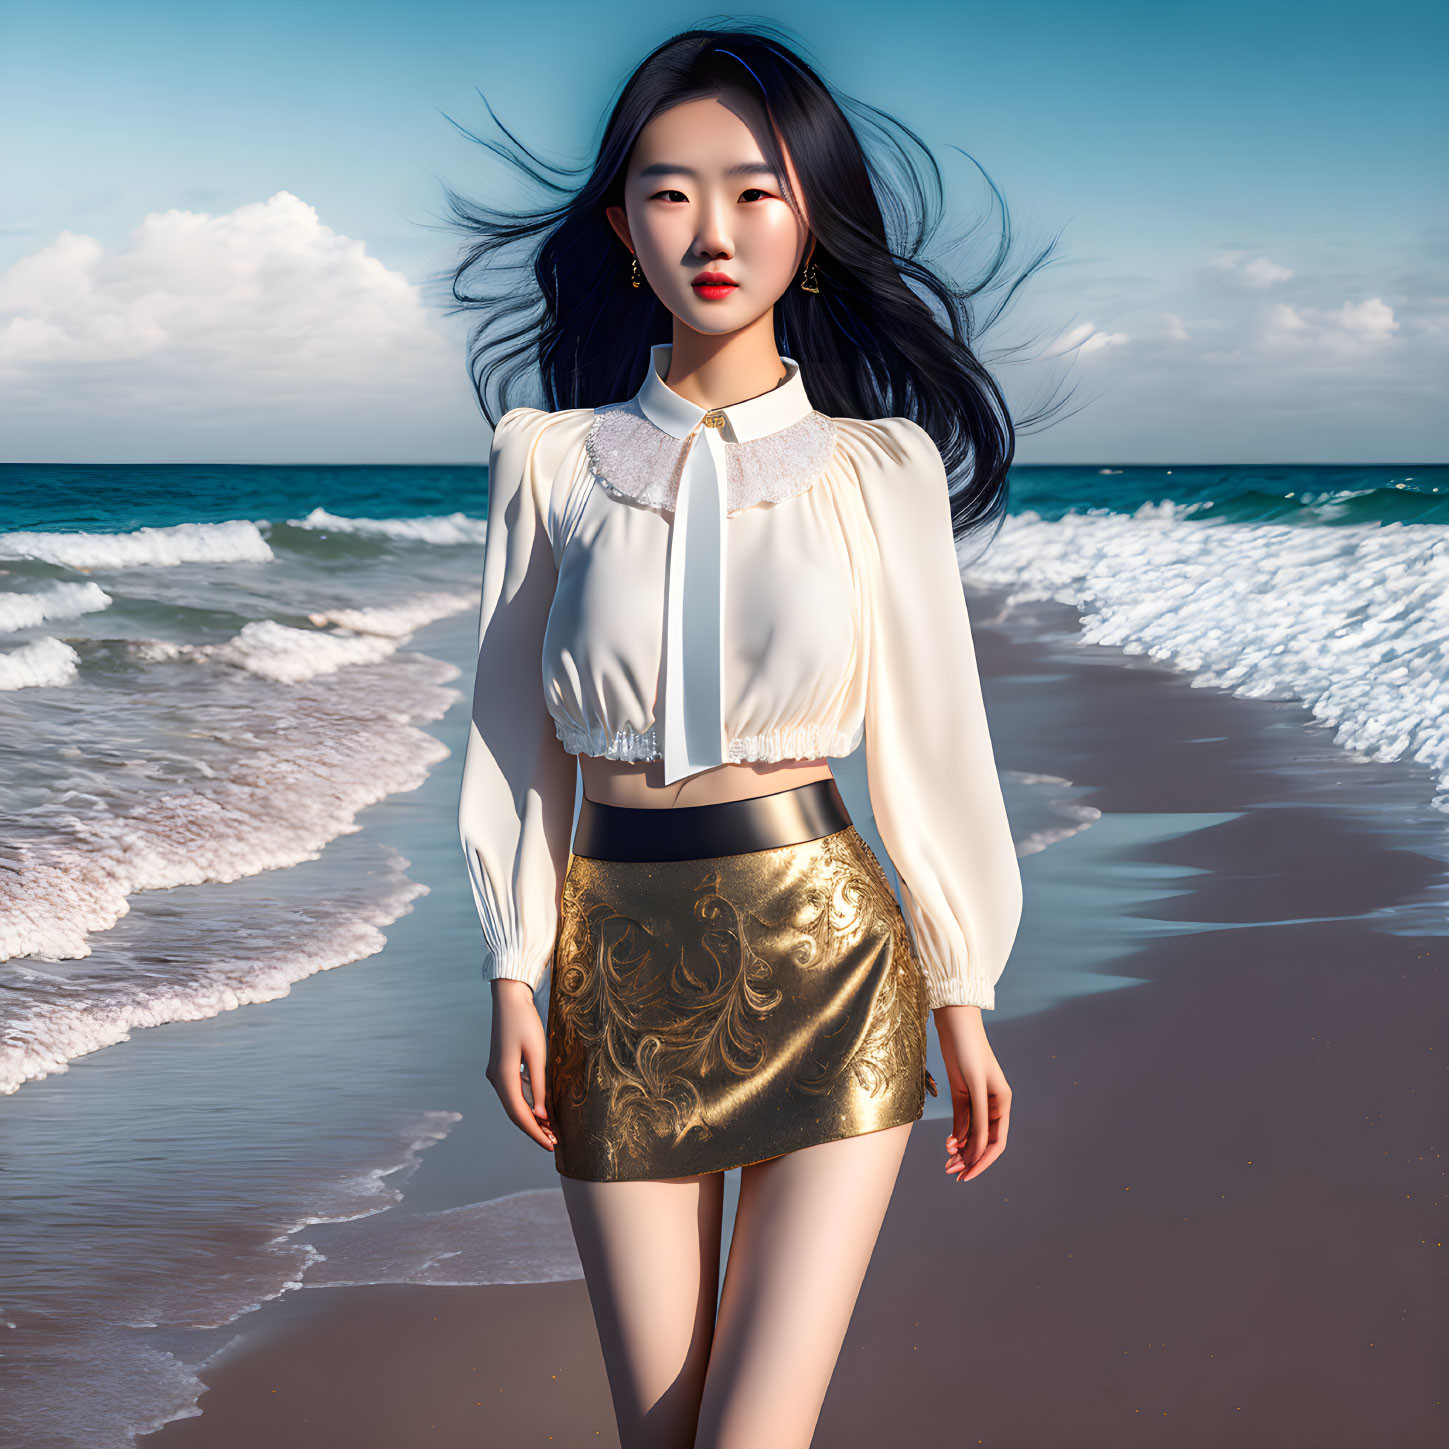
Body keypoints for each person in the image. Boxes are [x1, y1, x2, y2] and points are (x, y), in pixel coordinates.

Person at [449, 25, 1063, 1449]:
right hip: (612, 967)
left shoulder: (877, 467)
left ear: (811, 214)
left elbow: (932, 732)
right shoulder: (546, 461)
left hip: (828, 956)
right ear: (619, 227)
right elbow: (508, 744)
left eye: (755, 190)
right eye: (668, 192)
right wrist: (508, 970)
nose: (710, 230)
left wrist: (961, 985)